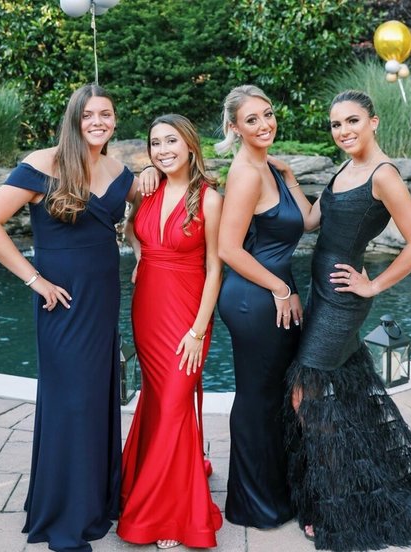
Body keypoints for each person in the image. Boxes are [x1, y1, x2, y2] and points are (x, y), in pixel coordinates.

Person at [284, 89, 411, 551]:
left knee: (306, 393)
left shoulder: (384, 175)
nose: (343, 131)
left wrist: (374, 285)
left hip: (343, 300)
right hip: (321, 292)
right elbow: (311, 222)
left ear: (373, 122)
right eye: (336, 124)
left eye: (352, 121)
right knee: (342, 394)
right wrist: (290, 178)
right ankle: (364, 483)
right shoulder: (344, 169)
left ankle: (336, 504)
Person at [0, 83, 159, 552]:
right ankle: (65, 518)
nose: (98, 122)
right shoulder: (42, 163)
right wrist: (34, 280)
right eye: (88, 114)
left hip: (103, 297)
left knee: (97, 398)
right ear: (74, 119)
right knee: (72, 402)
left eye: (105, 114)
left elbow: (140, 216)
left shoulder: (119, 171)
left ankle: (93, 502)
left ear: (115, 120)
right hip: (61, 301)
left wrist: (139, 247)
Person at [116, 114, 223, 550]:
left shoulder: (209, 198)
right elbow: (131, 232)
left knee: (175, 403)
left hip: (187, 315)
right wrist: (141, 255)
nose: (163, 150)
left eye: (171, 141)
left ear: (190, 145)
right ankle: (157, 488)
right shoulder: (147, 190)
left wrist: (198, 331)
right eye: (155, 143)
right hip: (147, 308)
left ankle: (166, 514)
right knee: (159, 402)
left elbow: (215, 268)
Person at [215, 85, 319, 529]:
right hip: (254, 297)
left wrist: (291, 177)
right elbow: (228, 248)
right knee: (258, 398)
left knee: (279, 395)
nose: (264, 124)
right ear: (234, 128)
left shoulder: (269, 168)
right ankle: (253, 503)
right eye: (251, 119)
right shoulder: (245, 173)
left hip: (273, 291)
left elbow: (309, 221)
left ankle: (277, 492)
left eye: (268, 114)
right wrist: (280, 288)